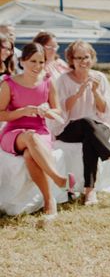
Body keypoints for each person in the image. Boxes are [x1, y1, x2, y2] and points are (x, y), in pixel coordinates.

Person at [0, 43, 75, 219]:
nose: (38, 66)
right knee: (29, 138)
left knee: (29, 155)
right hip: (14, 132)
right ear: (23, 61)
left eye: (41, 62)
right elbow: (1, 114)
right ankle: (58, 179)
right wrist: (23, 111)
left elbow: (57, 111)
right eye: (33, 61)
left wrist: (47, 111)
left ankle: (49, 202)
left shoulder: (48, 82)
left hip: (40, 130)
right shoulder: (8, 84)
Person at [53, 41, 110, 206]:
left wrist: (95, 91)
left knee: (90, 136)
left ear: (92, 58)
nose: (83, 61)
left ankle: (89, 192)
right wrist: (78, 93)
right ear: (71, 60)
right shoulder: (63, 80)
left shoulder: (100, 77)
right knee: (87, 123)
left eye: (87, 57)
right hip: (69, 127)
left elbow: (105, 110)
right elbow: (61, 110)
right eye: (79, 58)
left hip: (96, 127)